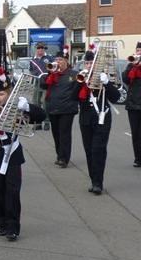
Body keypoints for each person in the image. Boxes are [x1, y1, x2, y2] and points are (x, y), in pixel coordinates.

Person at [0, 68, 46, 241]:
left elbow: (41, 116)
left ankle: (13, 227)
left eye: (1, 94)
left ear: (9, 93)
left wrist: (27, 107)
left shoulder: (17, 107)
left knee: (12, 192)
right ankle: (1, 223)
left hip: (13, 155)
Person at [76, 50, 120, 194]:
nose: (89, 65)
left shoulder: (104, 76)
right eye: (87, 63)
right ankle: (93, 180)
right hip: (85, 120)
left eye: (91, 63)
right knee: (89, 151)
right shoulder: (81, 78)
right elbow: (72, 97)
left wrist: (107, 83)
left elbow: (116, 97)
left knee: (98, 150)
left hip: (102, 118)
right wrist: (80, 82)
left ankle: (98, 183)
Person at [39, 51, 80, 168]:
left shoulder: (73, 74)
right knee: (56, 134)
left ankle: (64, 158)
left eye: (60, 60)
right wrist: (49, 73)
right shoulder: (52, 74)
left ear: (66, 61)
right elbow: (43, 85)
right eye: (56, 60)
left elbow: (78, 90)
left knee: (64, 133)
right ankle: (59, 155)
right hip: (53, 108)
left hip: (67, 109)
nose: (58, 62)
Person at [122, 43, 141, 167]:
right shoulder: (131, 65)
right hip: (133, 104)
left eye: (140, 51)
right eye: (138, 50)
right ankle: (138, 158)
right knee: (136, 133)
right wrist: (133, 66)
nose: (138, 53)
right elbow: (125, 79)